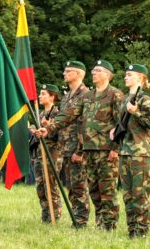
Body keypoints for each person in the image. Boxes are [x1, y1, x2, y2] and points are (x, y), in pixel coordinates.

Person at [37, 60, 123, 231]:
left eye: (97, 70)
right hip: (89, 150)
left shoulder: (115, 95)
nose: (93, 72)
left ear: (107, 74)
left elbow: (121, 124)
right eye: (93, 70)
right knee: (94, 191)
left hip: (106, 150)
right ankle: (100, 223)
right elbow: (68, 115)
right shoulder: (88, 96)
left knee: (107, 190)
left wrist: (116, 148)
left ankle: (109, 225)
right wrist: (49, 128)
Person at [113, 64, 150, 238]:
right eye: (125, 74)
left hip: (140, 152)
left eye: (129, 75)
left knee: (139, 193)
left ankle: (141, 230)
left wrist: (137, 112)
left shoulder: (144, 99)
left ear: (140, 78)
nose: (125, 77)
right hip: (125, 150)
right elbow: (123, 124)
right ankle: (132, 228)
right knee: (128, 194)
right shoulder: (125, 99)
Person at [58, 61, 90, 227]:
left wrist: (81, 150)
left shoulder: (86, 95)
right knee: (71, 185)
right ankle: (77, 217)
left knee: (79, 186)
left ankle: (81, 220)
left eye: (68, 71)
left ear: (79, 74)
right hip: (66, 148)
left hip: (77, 149)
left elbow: (86, 125)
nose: (64, 73)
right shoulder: (66, 97)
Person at [33, 84, 63, 223]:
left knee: (50, 185)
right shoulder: (40, 114)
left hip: (53, 154)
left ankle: (54, 215)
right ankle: (45, 215)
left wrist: (48, 127)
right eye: (40, 93)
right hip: (40, 154)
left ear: (52, 97)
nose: (40, 96)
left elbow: (61, 135)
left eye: (43, 94)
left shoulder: (58, 114)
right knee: (40, 185)